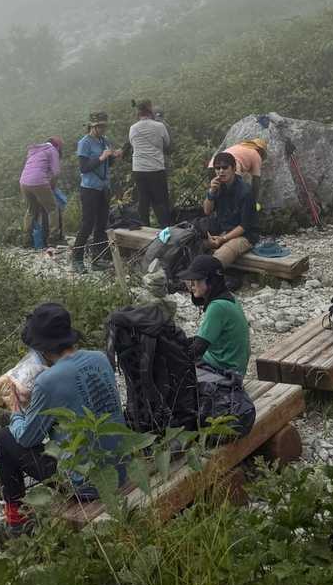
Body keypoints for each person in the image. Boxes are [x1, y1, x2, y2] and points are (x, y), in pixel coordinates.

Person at [0, 302, 124, 538]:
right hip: (119, 469)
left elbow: (27, 438)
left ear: (40, 348)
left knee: (4, 438)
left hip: (87, 483)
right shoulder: (100, 358)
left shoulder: (48, 381)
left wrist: (17, 408)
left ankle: (17, 522)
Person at [181, 254, 256, 436]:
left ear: (211, 281)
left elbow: (196, 351)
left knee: (178, 379)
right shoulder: (228, 298)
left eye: (196, 281)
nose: (192, 285)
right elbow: (204, 340)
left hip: (226, 373)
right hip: (229, 366)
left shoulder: (217, 307)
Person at [72, 112, 122, 273]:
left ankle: (97, 259)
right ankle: (77, 259)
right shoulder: (84, 143)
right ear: (92, 127)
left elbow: (108, 164)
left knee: (102, 223)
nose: (103, 129)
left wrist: (114, 156)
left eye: (104, 126)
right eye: (100, 126)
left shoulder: (104, 141)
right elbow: (84, 167)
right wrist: (101, 157)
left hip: (104, 187)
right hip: (89, 188)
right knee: (87, 224)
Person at [198, 151, 260, 267]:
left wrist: (223, 239)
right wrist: (211, 192)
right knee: (194, 241)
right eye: (218, 168)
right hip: (223, 229)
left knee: (220, 256)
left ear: (234, 168)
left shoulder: (245, 191)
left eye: (225, 167)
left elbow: (244, 226)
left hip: (245, 235)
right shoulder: (218, 186)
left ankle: (211, 273)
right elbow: (207, 211)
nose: (221, 171)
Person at [128, 98, 172, 229]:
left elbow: (133, 144)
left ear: (138, 112)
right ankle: (165, 230)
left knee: (143, 201)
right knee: (160, 202)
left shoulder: (133, 128)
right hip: (156, 168)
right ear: (150, 110)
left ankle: (144, 229)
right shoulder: (160, 126)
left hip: (139, 169)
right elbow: (167, 143)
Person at [18, 137, 63, 252]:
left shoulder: (35, 150)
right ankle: (52, 240)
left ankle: (26, 241)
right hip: (39, 182)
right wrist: (51, 186)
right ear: (57, 146)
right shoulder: (52, 150)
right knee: (52, 209)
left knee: (31, 210)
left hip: (24, 182)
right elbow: (56, 172)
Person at [209, 137, 267, 206]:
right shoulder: (256, 154)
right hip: (229, 167)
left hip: (213, 165)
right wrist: (254, 201)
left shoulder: (238, 147)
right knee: (234, 196)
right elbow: (256, 180)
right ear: (260, 151)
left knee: (216, 194)